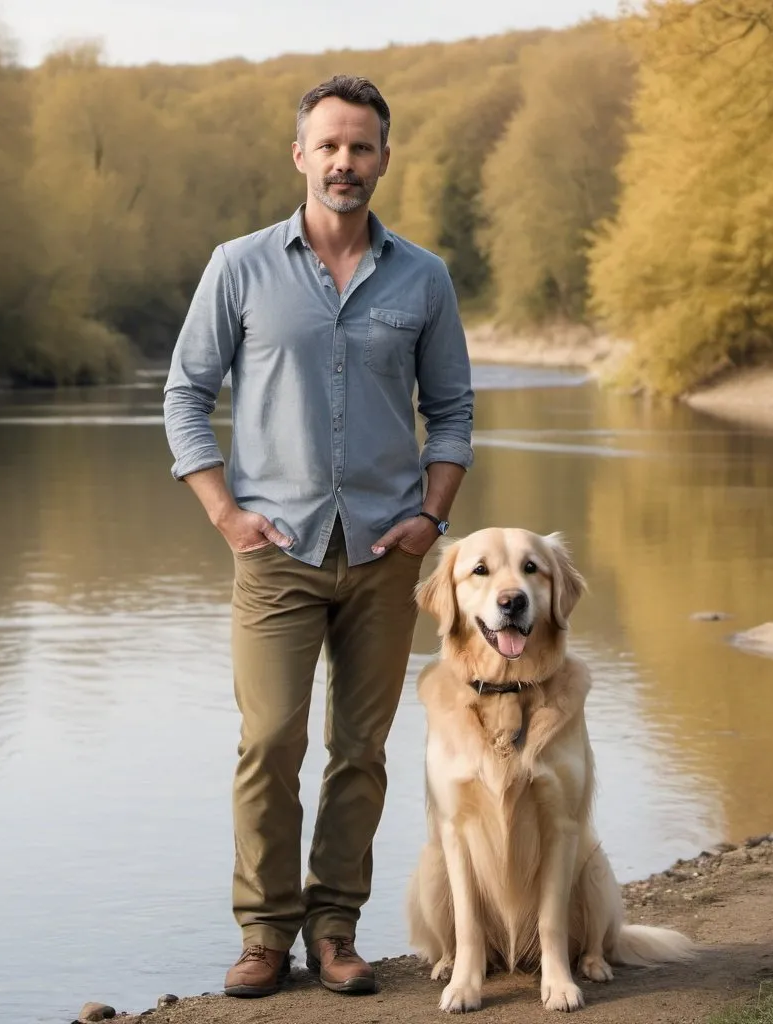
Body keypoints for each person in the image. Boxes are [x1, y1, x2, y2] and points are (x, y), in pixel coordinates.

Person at [162, 74, 474, 999]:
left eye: (363, 146)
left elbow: (452, 410)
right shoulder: (240, 265)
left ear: (383, 156)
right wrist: (224, 512)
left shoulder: (423, 277)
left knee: (362, 750)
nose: (346, 162)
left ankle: (335, 929)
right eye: (330, 145)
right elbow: (185, 395)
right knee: (270, 743)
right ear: (301, 155)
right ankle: (265, 933)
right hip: (274, 551)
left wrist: (431, 517)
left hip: (390, 556)